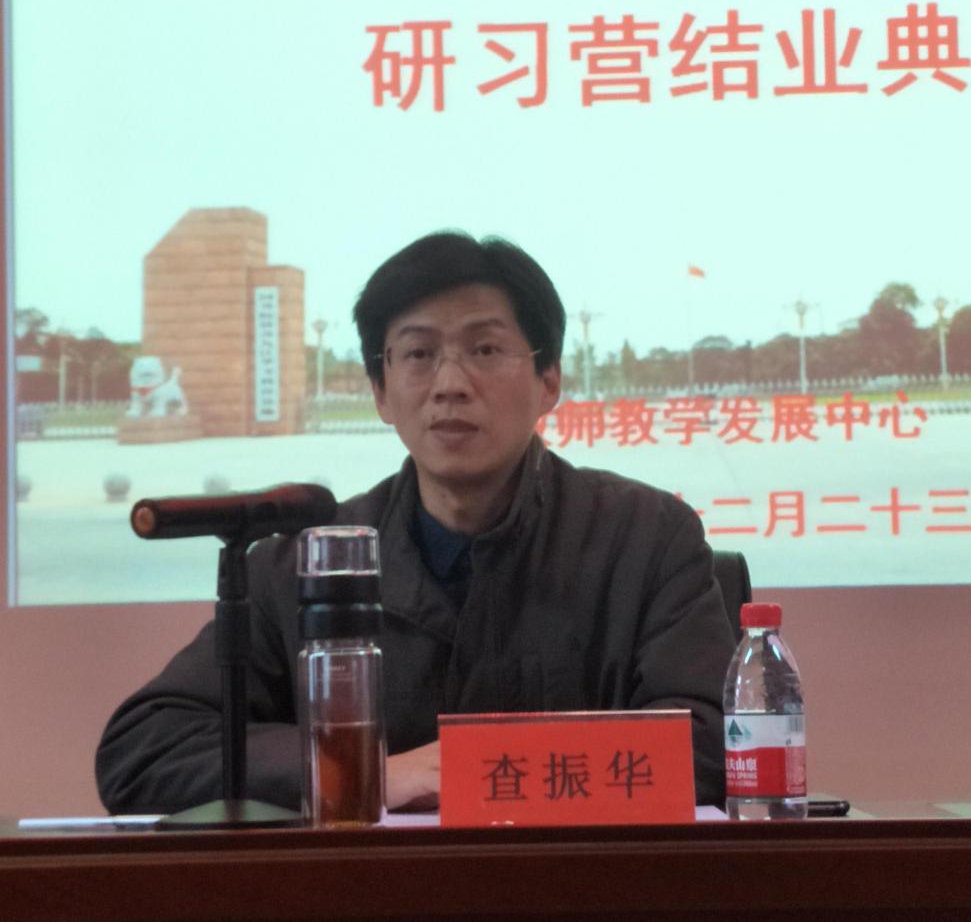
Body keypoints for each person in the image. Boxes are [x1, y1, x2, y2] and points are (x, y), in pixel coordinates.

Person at [96, 232, 736, 814]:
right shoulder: (302, 561)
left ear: (548, 381)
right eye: (418, 354)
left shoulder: (647, 538)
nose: (450, 383)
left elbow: (716, 742)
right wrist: (362, 771)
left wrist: (478, 772)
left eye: (485, 349)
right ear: (381, 391)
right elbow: (144, 749)